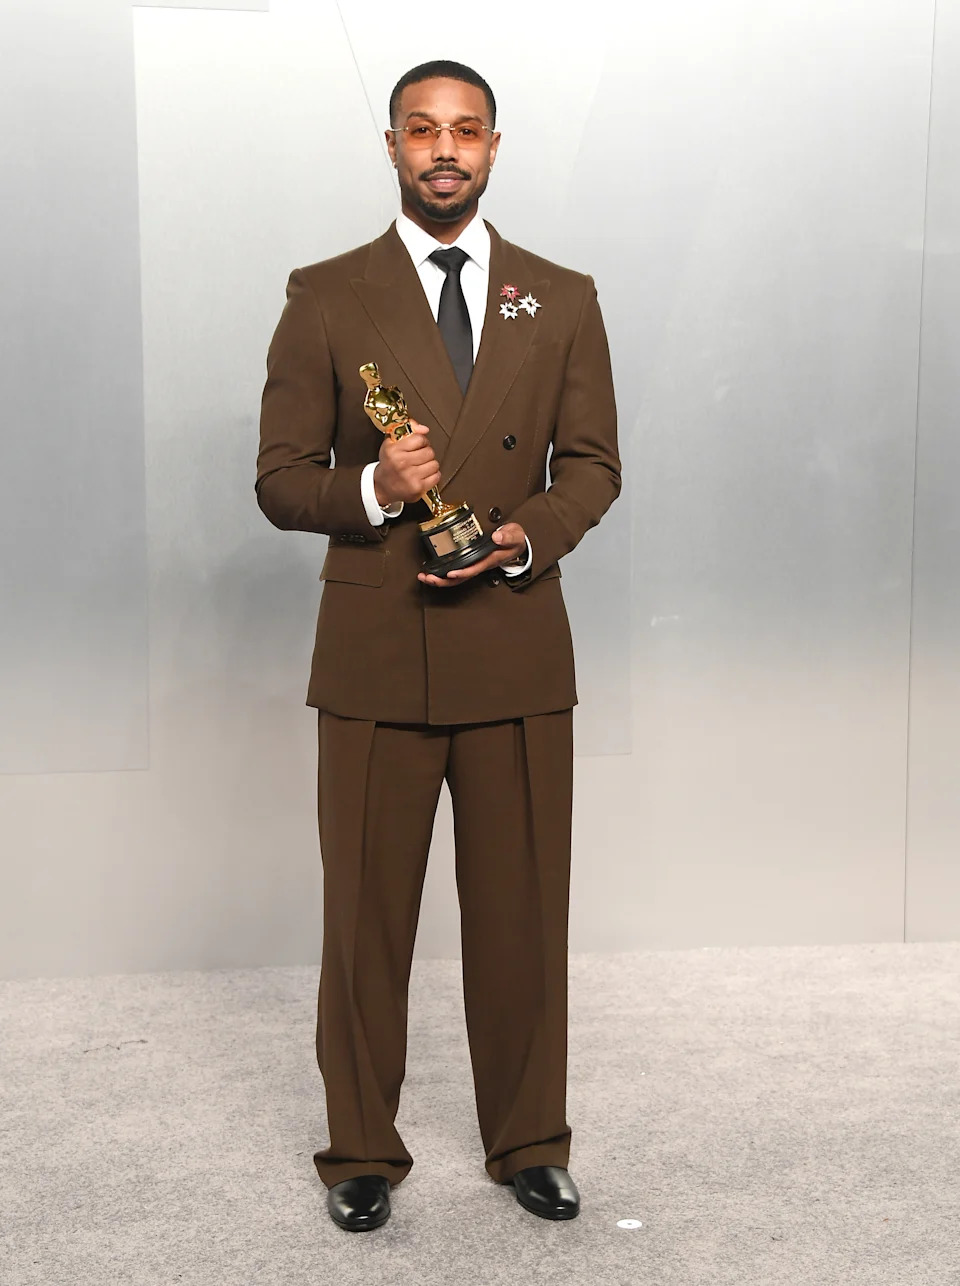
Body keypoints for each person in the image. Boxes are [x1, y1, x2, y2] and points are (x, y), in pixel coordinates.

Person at [256, 59, 620, 1233]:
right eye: (424, 130)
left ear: (496, 147)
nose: (445, 149)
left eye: (466, 131)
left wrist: (523, 535)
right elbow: (276, 482)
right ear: (393, 143)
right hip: (376, 647)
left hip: (514, 641)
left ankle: (530, 1140)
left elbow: (596, 467)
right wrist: (369, 483)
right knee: (365, 918)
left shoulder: (560, 295)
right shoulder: (326, 293)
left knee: (522, 916)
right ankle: (361, 1146)